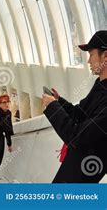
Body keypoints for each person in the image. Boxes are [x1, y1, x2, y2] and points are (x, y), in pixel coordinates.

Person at [42, 31, 107, 183]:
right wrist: (59, 101)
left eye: (91, 55)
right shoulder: (100, 85)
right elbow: (80, 113)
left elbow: (76, 136)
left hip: (85, 170)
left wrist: (52, 107)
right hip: (77, 160)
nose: (89, 61)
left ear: (105, 56)